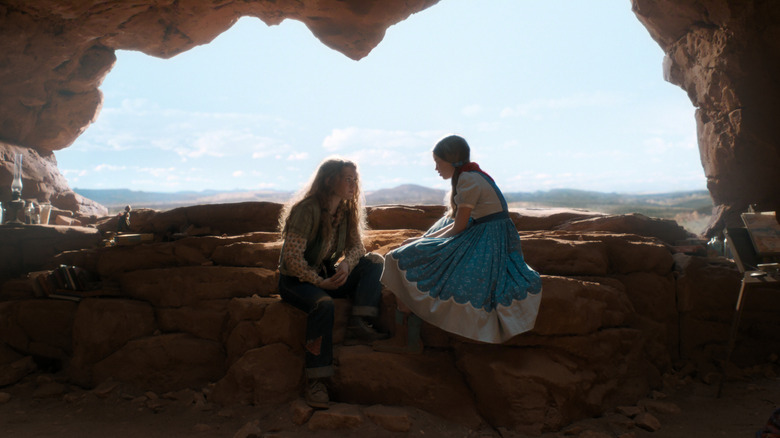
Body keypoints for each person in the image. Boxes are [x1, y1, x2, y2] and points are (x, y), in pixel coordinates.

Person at [375, 134, 542, 353]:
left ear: (451, 161)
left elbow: (459, 227)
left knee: (398, 257)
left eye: (438, 163)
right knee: (415, 250)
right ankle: (408, 334)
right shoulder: (472, 175)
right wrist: (425, 240)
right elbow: (458, 222)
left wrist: (424, 241)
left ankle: (406, 337)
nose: (436, 169)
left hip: (486, 240)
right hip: (486, 233)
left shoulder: (468, 180)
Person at [277, 157, 387, 408]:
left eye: (354, 179)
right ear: (329, 180)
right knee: (323, 304)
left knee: (374, 262)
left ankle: (359, 323)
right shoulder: (307, 209)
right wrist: (319, 282)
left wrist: (347, 264)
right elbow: (292, 260)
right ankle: (317, 382)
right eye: (347, 179)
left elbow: (357, 246)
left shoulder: (346, 210)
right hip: (296, 281)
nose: (352, 184)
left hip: (325, 274)